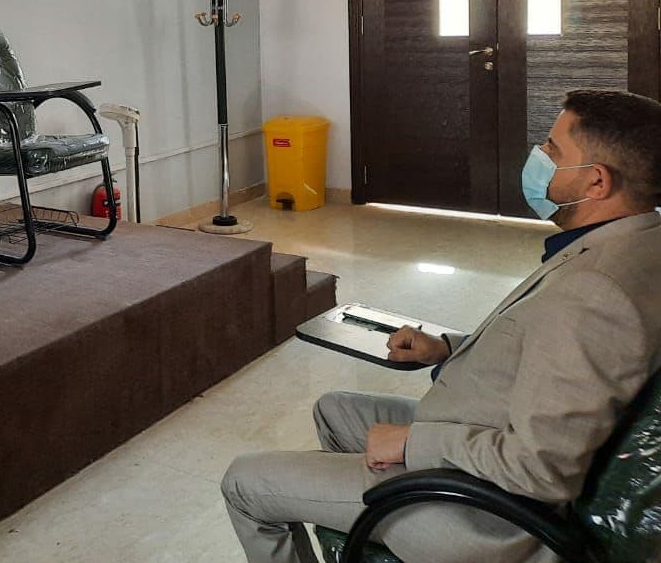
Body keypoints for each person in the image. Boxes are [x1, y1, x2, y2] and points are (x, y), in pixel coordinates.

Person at [221, 89, 661, 563]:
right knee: (335, 410)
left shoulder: (596, 291)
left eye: (553, 150)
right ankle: (360, 522)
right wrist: (447, 349)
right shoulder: (635, 240)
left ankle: (390, 508)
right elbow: (552, 351)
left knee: (244, 482)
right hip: (486, 428)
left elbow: (539, 469)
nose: (539, 156)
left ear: (596, 181)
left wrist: (412, 444)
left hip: (484, 516)